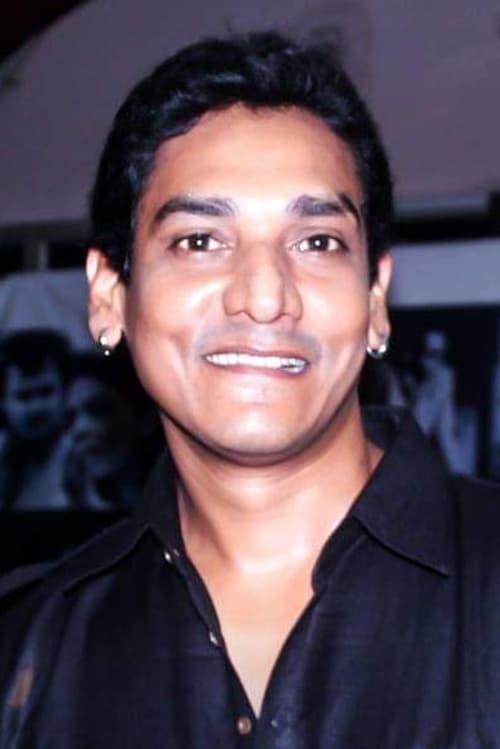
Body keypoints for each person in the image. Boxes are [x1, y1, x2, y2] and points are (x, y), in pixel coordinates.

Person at [1, 31, 500, 748]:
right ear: (109, 296)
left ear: (376, 298)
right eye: (199, 241)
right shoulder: (28, 649)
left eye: (317, 242)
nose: (265, 298)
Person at [0, 329, 70, 510]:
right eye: (23, 396)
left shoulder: (85, 457)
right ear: (3, 401)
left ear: (65, 393)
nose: (36, 408)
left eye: (46, 392)